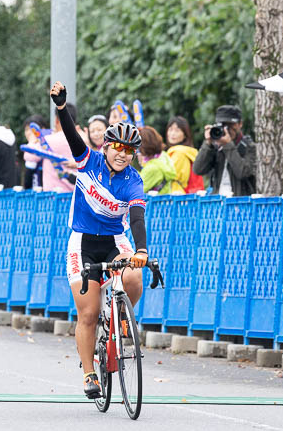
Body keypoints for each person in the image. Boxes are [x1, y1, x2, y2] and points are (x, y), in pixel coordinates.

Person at [50, 81, 148, 399]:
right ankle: (90, 372)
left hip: (114, 239)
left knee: (134, 276)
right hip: (83, 244)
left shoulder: (133, 180)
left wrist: (142, 249)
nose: (123, 155)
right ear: (106, 146)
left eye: (129, 151)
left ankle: (120, 318)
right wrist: (61, 108)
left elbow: (136, 217)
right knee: (89, 313)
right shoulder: (88, 161)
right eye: (118, 148)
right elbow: (70, 135)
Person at [193, 105, 256, 196]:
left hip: (241, 203)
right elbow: (198, 170)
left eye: (231, 125)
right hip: (217, 202)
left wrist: (228, 145)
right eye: (223, 125)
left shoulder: (250, 147)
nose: (227, 129)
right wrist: (208, 143)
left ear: (240, 124)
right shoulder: (215, 147)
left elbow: (243, 172)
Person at [21, 103, 79, 192]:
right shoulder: (82, 139)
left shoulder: (49, 140)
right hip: (76, 194)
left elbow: (29, 156)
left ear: (56, 120)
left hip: (54, 196)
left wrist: (32, 141)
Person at [164, 116, 203, 194]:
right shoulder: (188, 151)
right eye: (170, 129)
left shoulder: (179, 153)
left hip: (176, 195)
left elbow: (167, 175)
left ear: (185, 135)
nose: (172, 134)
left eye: (177, 131)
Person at [138, 126, 176, 195]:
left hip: (152, 205)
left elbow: (135, 190)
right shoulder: (164, 156)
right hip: (165, 203)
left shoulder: (151, 168)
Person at [22, 114, 48, 189]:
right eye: (26, 130)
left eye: (32, 130)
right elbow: (27, 182)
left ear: (43, 129)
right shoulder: (30, 148)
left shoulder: (48, 147)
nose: (29, 133)